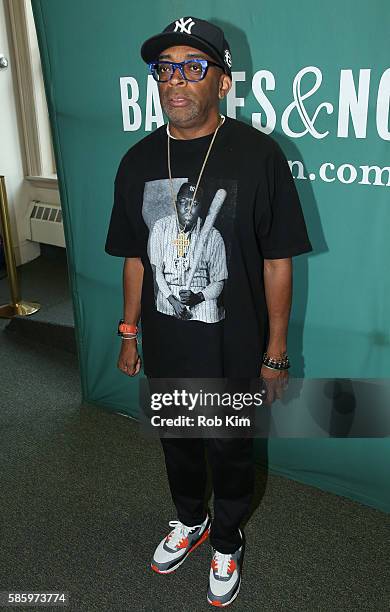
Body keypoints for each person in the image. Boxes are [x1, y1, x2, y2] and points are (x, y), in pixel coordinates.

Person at [105, 16, 312, 607]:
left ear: (222, 82)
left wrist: (275, 353)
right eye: (165, 69)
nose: (176, 81)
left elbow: (277, 261)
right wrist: (128, 332)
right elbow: (135, 260)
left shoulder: (259, 155)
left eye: (193, 68)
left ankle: (227, 537)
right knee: (178, 441)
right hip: (168, 343)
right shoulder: (138, 160)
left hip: (234, 344)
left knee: (228, 446)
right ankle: (190, 520)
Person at [148, 180, 228, 322]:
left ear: (201, 207)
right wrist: (173, 301)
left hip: (202, 297)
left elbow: (219, 283)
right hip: (168, 295)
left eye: (194, 204)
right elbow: (157, 272)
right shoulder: (161, 227)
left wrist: (198, 297)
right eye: (183, 202)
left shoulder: (214, 236)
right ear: (176, 203)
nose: (188, 208)